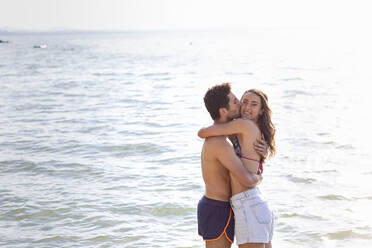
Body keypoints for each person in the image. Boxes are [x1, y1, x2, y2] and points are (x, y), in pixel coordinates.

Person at [198, 89, 276, 248]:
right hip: (254, 202)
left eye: (254, 104)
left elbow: (203, 132)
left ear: (261, 110)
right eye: (242, 101)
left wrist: (258, 177)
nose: (244, 106)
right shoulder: (242, 130)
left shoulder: (242, 125)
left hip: (248, 203)